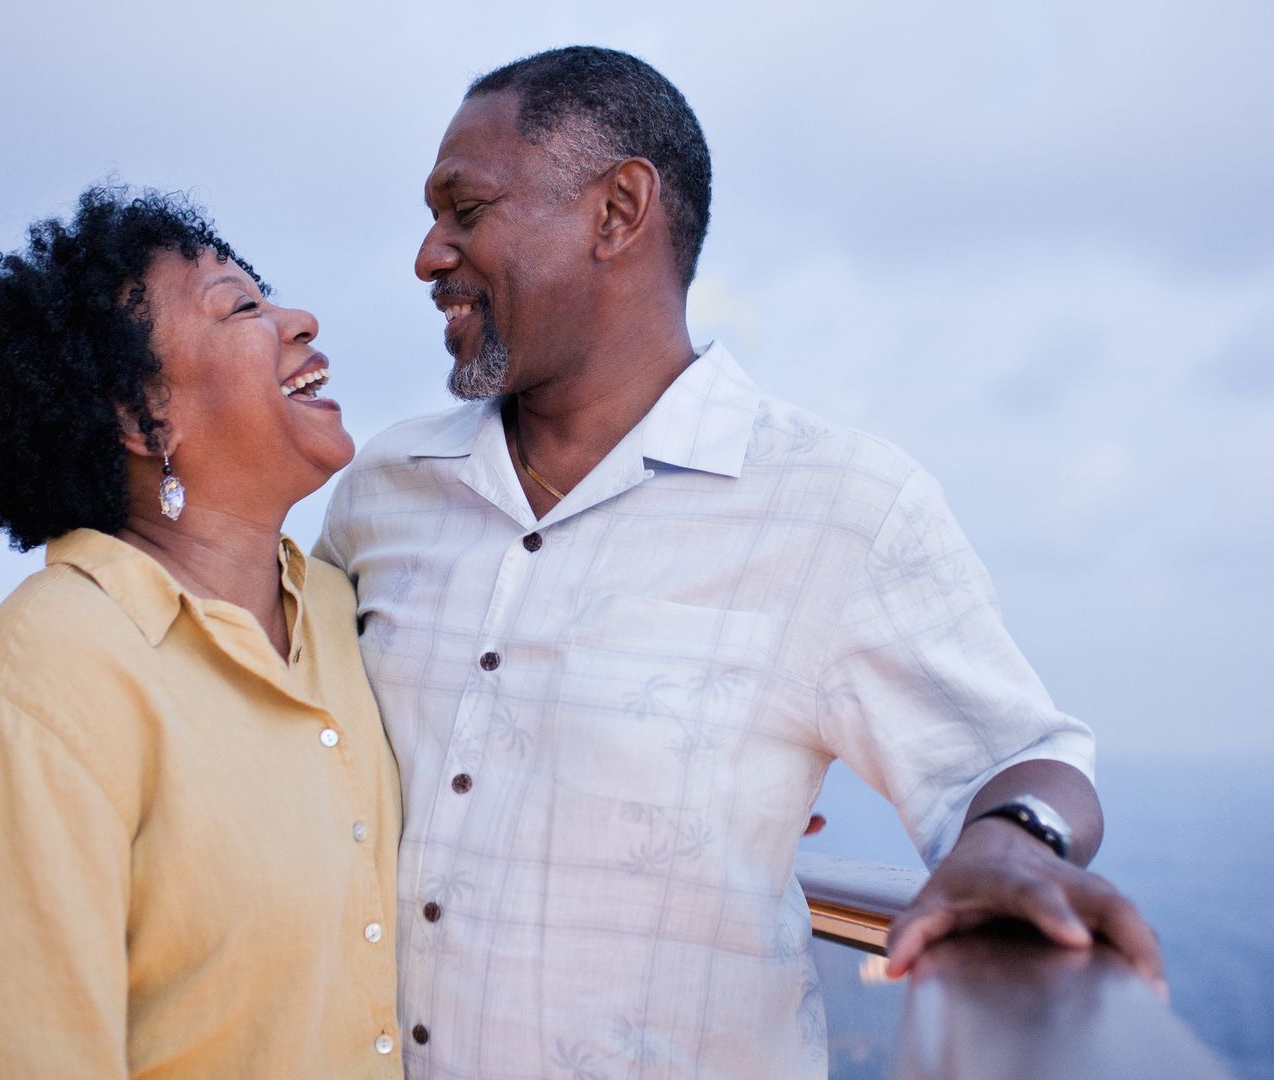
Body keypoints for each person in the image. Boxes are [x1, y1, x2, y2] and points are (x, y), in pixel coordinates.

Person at [314, 46, 1162, 1078]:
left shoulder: (840, 506)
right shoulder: (387, 488)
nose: (427, 255)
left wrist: (1003, 843)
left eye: (467, 209)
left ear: (619, 211)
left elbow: (1024, 759)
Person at [0, 185, 402, 1078]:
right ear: (144, 418)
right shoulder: (44, 679)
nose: (300, 320)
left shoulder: (341, 609)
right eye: (241, 307)